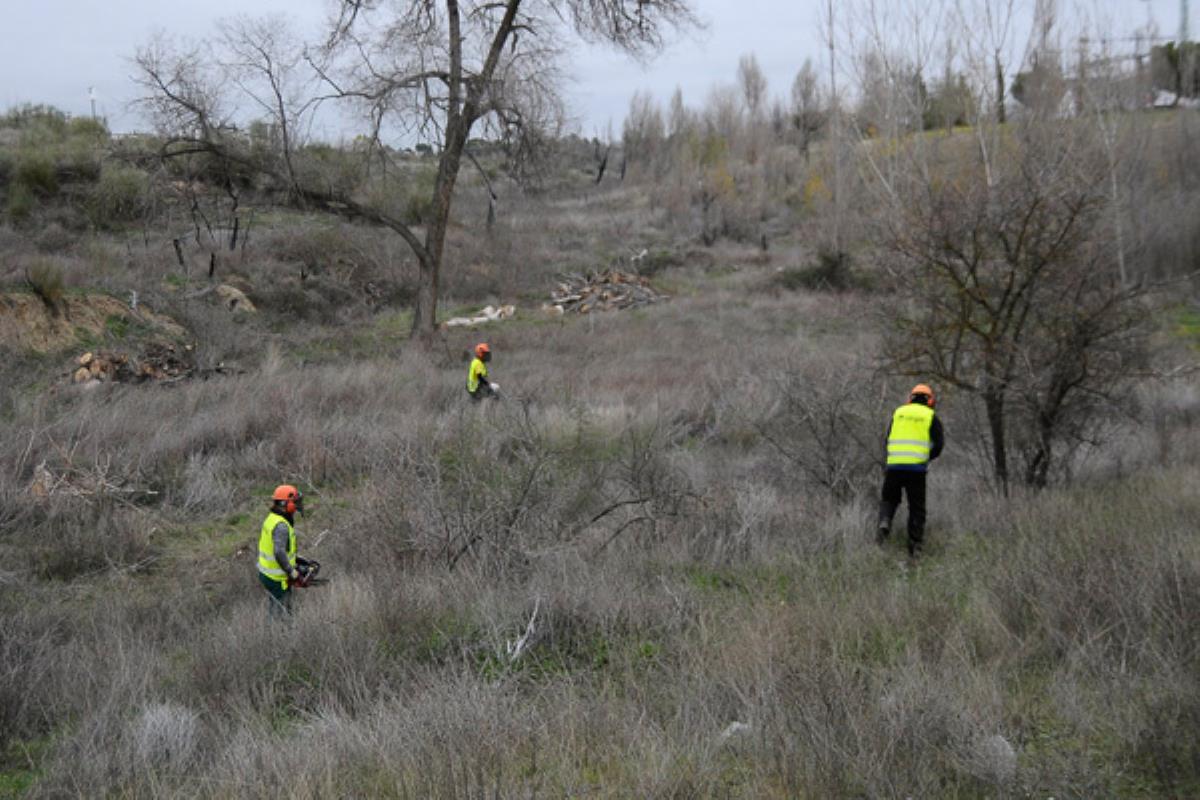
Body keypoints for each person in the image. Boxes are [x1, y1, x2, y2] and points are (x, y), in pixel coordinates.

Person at [877, 384, 944, 558]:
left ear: (910, 398)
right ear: (930, 401)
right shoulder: (930, 416)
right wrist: (926, 457)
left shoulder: (898, 413)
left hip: (894, 465)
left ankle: (885, 522)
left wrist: (894, 457)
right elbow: (939, 445)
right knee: (916, 508)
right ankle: (914, 549)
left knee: (889, 499)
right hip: (916, 469)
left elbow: (888, 439)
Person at [258, 484, 304, 615]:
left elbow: (279, 547)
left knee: (276, 607)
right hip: (276, 577)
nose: (297, 505)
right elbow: (278, 552)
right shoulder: (281, 526)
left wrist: (297, 559)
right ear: (285, 503)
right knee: (281, 613)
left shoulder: (272, 518)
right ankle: (281, 628)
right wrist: (292, 572)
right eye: (294, 502)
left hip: (266, 573)